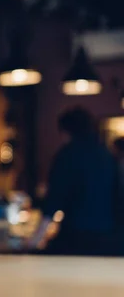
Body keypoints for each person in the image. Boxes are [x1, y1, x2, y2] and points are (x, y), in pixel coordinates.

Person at [28, 107, 117, 255]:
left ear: (66, 131)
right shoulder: (107, 155)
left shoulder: (68, 154)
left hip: (75, 236)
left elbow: (54, 200)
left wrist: (35, 239)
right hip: (108, 237)